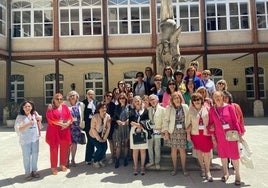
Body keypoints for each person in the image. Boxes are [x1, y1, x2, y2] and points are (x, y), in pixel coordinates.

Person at [207, 91, 244, 186]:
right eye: (215, 97)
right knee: (223, 155)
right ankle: (225, 173)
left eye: (219, 96)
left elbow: (236, 121)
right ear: (213, 99)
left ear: (223, 97)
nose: (217, 98)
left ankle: (238, 175)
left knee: (235, 155)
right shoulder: (212, 110)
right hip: (220, 136)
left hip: (231, 135)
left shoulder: (230, 107)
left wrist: (239, 134)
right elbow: (210, 123)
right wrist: (212, 134)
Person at [186, 93, 213, 182]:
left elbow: (211, 122)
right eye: (194, 100)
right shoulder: (190, 111)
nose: (197, 101)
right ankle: (202, 168)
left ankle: (208, 171)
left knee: (207, 153)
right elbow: (187, 124)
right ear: (192, 102)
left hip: (206, 134)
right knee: (199, 152)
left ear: (201, 100)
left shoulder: (207, 109)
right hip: (196, 134)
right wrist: (188, 134)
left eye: (198, 99)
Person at [163, 92, 189, 176]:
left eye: (178, 98)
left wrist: (188, 131)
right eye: (175, 98)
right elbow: (166, 120)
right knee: (173, 150)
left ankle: (184, 168)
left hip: (182, 131)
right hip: (172, 131)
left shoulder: (185, 107)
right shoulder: (169, 108)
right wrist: (166, 131)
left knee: (182, 150)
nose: (177, 100)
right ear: (172, 100)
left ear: (180, 99)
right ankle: (174, 168)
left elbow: (189, 119)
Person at [14, 101, 42, 181]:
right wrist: (28, 124)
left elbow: (40, 119)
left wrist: (39, 118)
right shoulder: (20, 117)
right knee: (26, 156)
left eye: (29, 106)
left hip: (35, 138)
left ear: (32, 107)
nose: (27, 108)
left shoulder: (34, 114)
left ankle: (34, 170)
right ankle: (27, 172)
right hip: (25, 140)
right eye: (25, 106)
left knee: (35, 154)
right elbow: (18, 128)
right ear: (22, 108)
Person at [46, 93, 73, 175]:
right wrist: (62, 124)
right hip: (54, 131)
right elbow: (50, 119)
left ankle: (62, 164)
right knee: (54, 148)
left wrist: (67, 123)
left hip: (64, 130)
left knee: (64, 148)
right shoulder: (51, 108)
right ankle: (53, 167)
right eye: (57, 99)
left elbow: (69, 117)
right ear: (54, 100)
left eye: (61, 99)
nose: (59, 100)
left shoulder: (65, 107)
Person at [129, 96, 149, 175]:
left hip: (143, 132)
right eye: (135, 101)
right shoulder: (131, 111)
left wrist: (140, 125)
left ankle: (142, 167)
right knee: (135, 150)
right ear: (133, 102)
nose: (137, 102)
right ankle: (135, 166)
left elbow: (147, 121)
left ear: (141, 101)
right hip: (134, 132)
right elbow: (131, 122)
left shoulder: (145, 111)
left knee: (143, 150)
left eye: (138, 101)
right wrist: (139, 125)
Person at [65, 90, 85, 167]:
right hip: (68, 127)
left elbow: (82, 115)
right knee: (68, 145)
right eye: (71, 96)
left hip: (77, 127)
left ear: (77, 97)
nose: (72, 97)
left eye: (74, 95)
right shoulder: (65, 105)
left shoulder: (81, 105)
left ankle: (73, 159)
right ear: (68, 98)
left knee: (74, 144)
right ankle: (67, 160)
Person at [146, 94, 165, 170]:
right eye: (151, 100)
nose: (152, 101)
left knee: (157, 146)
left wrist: (163, 130)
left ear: (157, 100)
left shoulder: (162, 109)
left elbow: (164, 121)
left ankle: (157, 162)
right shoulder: (148, 109)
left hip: (158, 130)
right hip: (150, 131)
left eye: (154, 99)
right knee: (150, 146)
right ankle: (151, 161)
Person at [89, 102, 111, 168]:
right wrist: (99, 138)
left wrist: (104, 138)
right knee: (99, 149)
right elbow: (92, 128)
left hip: (103, 134)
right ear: (98, 109)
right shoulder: (95, 117)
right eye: (102, 108)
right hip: (93, 135)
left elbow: (108, 127)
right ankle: (95, 161)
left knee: (105, 148)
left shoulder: (107, 116)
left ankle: (99, 160)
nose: (104, 109)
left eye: (105, 108)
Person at [113, 93, 130, 168]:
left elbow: (132, 116)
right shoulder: (116, 107)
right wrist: (117, 121)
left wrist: (128, 120)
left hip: (126, 128)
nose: (122, 100)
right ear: (118, 100)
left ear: (126, 99)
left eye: (123, 98)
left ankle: (126, 158)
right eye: (120, 98)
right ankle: (117, 159)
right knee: (119, 144)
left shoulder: (129, 107)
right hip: (119, 128)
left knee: (126, 144)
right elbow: (114, 117)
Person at [82, 89, 98, 165]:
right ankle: (88, 158)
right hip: (88, 125)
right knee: (90, 140)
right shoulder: (83, 103)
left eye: (92, 94)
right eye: (89, 94)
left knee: (93, 140)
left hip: (95, 125)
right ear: (86, 95)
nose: (90, 96)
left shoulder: (96, 102)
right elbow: (82, 114)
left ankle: (92, 156)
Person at [104, 91, 116, 164]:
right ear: (104, 96)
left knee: (111, 141)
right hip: (102, 126)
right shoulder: (101, 104)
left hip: (110, 125)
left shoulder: (113, 105)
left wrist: (110, 119)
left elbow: (115, 115)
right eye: (107, 95)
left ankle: (112, 157)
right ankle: (103, 156)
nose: (108, 97)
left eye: (110, 96)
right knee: (103, 141)